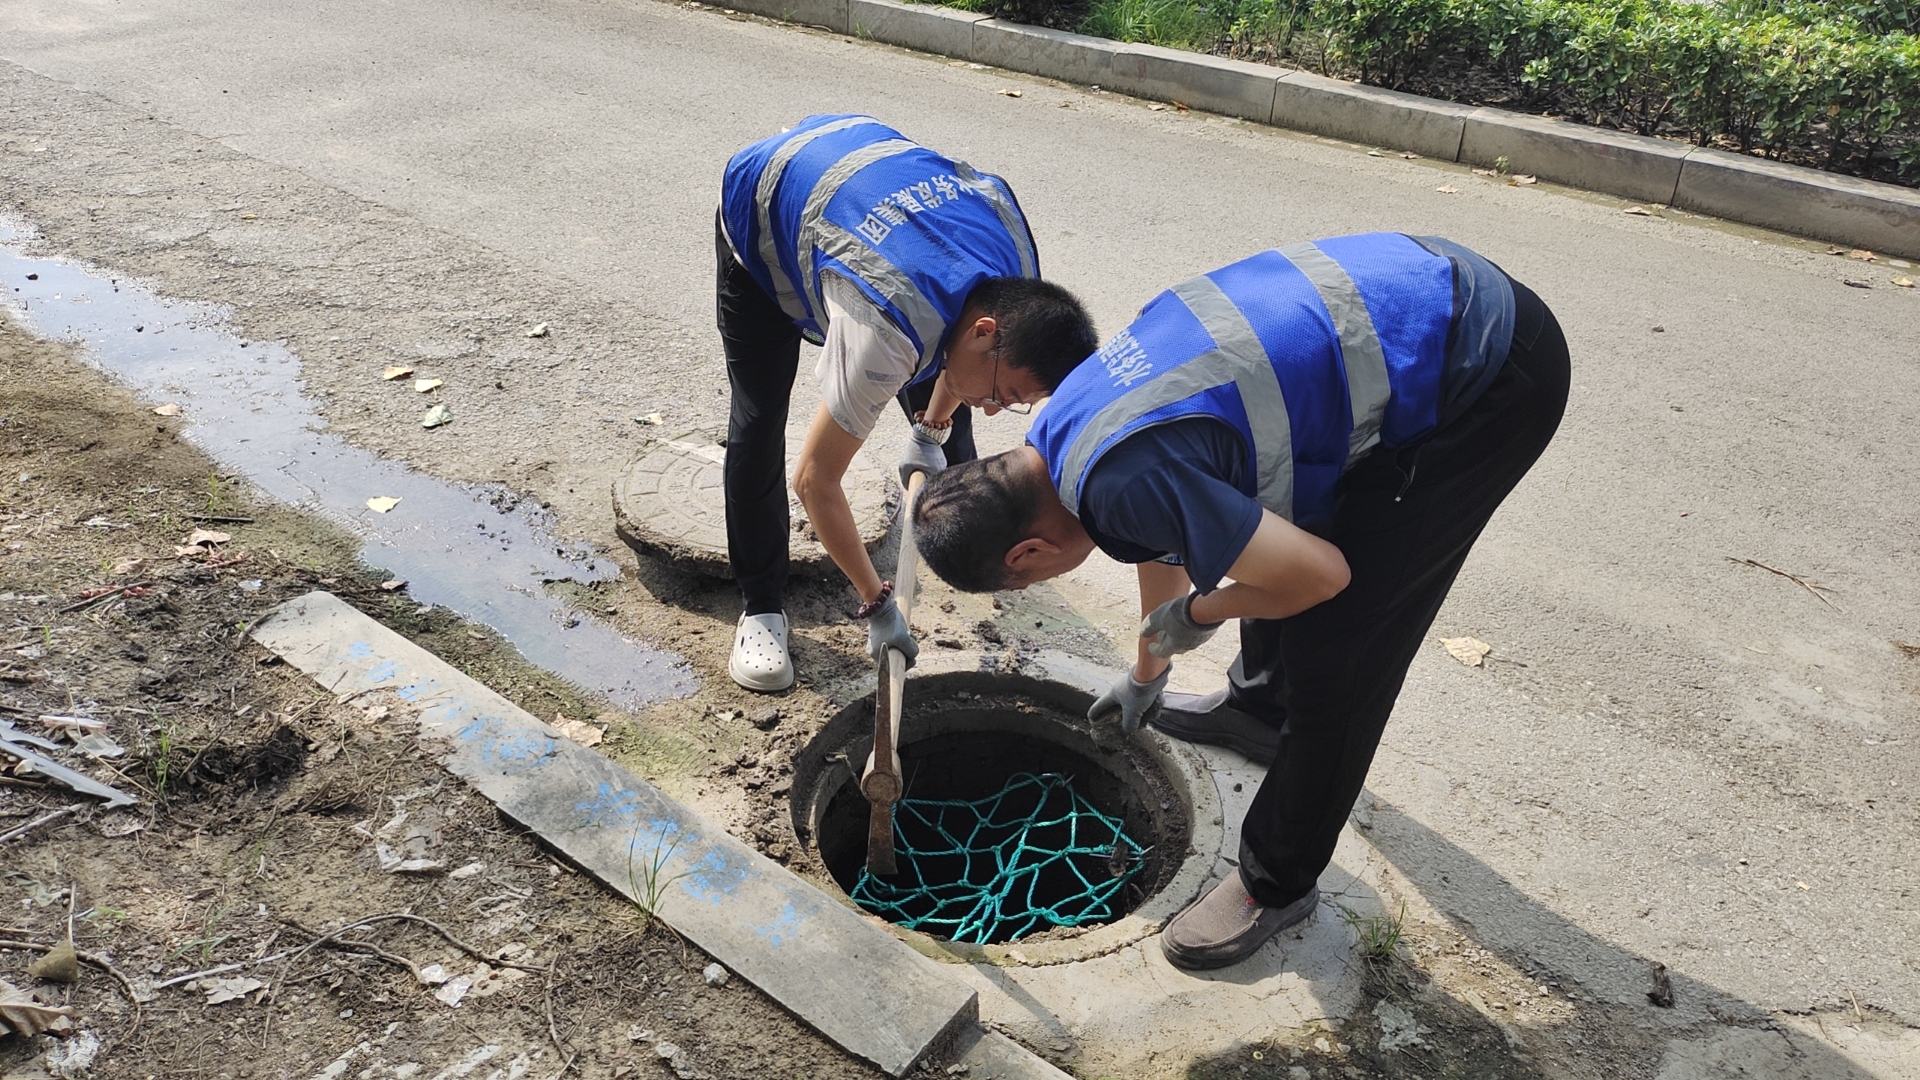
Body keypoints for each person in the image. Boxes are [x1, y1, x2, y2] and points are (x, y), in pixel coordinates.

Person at [911, 233, 1569, 969]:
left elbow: (1321, 578)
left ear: (1026, 555)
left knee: (1342, 647)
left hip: (1485, 370)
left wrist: (1199, 614)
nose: (1039, 581)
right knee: (1267, 535)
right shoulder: (1061, 431)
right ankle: (1257, 711)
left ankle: (1275, 882)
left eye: (1028, 583)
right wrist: (1147, 674)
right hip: (1421, 288)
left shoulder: (1122, 482)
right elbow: (1168, 538)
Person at [717, 114, 1096, 692]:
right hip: (767, 209)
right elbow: (815, 480)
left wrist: (931, 427)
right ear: (986, 332)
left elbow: (963, 353)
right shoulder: (885, 331)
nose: (994, 409)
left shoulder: (1017, 280)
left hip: (869, 187)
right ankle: (761, 606)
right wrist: (877, 603)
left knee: (954, 424)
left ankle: (969, 554)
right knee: (759, 416)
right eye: (1003, 394)